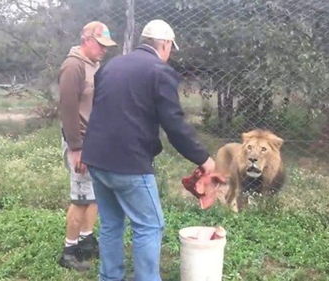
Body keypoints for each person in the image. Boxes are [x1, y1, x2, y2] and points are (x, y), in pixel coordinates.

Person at [81, 19, 216, 281]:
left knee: (111, 224)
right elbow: (174, 124)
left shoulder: (111, 66)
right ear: (164, 44)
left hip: (96, 159)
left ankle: (109, 277)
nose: (169, 54)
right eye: (170, 48)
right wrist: (204, 159)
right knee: (150, 225)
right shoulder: (159, 71)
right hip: (129, 164)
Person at [58, 21, 117, 271]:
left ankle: (86, 240)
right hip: (79, 143)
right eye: (100, 45)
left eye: (106, 46)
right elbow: (68, 109)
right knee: (80, 198)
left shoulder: (95, 65)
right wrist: (76, 147)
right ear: (87, 40)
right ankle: (69, 251)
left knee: (94, 196)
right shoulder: (73, 66)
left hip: (94, 141)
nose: (104, 50)